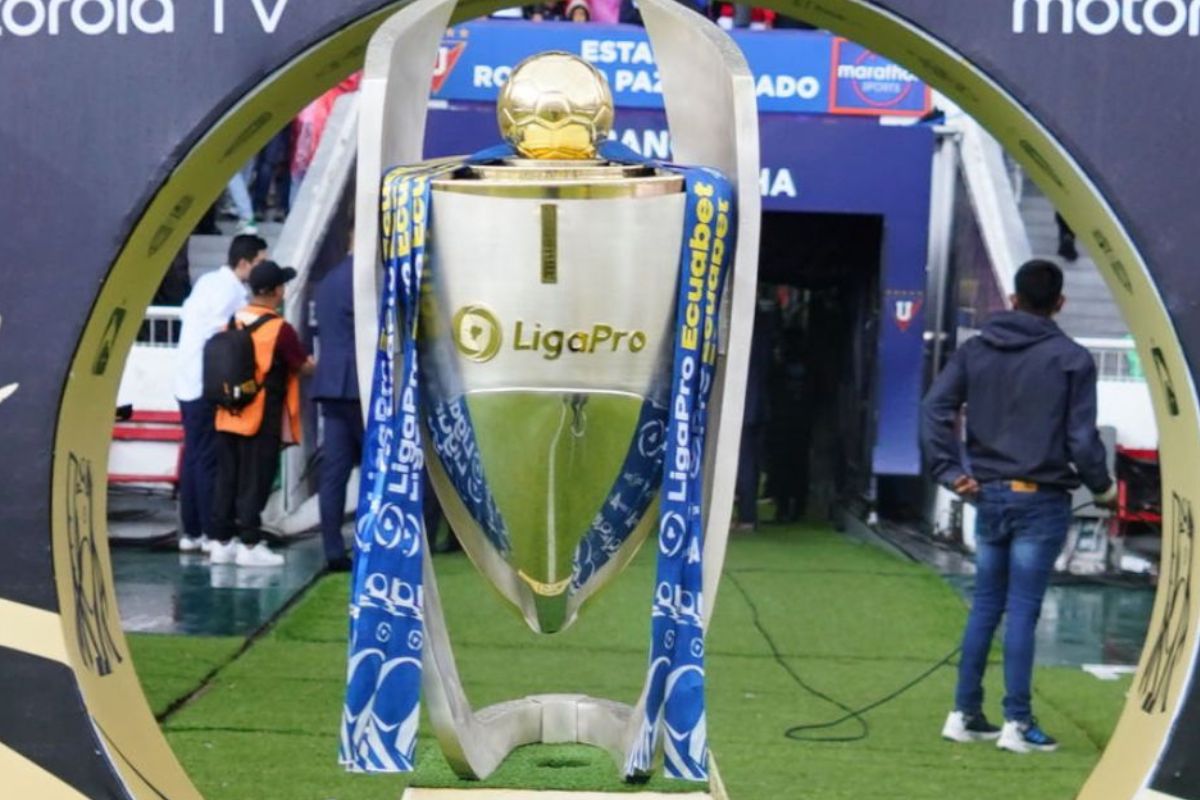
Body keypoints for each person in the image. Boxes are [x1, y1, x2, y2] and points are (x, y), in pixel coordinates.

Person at [922, 259, 1116, 754]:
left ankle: (963, 714)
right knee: (1023, 610)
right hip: (1041, 498)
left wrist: (949, 471)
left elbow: (935, 408)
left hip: (987, 494)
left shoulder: (975, 350)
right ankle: (1017, 722)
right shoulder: (1072, 359)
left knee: (986, 605)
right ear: (1060, 303)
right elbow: (1081, 439)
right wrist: (1102, 487)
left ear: (1012, 299)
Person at [210, 261, 315, 567]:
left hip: (228, 413)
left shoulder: (233, 320)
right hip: (260, 416)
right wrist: (313, 364)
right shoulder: (279, 329)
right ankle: (250, 544)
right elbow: (301, 366)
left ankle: (222, 543)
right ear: (275, 291)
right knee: (255, 481)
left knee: (227, 480)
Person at [173, 234, 267, 554]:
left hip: (186, 380)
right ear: (244, 263)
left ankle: (192, 531)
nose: (261, 268)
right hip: (203, 384)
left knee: (194, 456)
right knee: (208, 460)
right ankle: (212, 532)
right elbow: (227, 336)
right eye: (259, 262)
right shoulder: (230, 293)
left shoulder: (208, 282)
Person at [312, 255, 360, 572]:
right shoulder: (368, 278)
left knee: (334, 473)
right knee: (376, 469)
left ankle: (332, 548)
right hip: (361, 385)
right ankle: (372, 542)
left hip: (331, 384)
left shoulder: (329, 280)